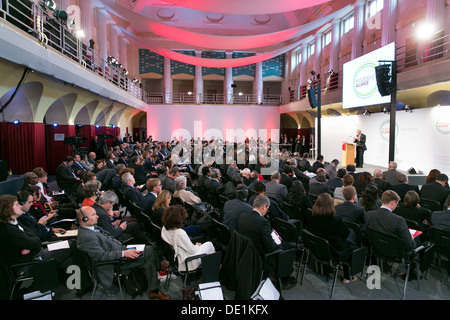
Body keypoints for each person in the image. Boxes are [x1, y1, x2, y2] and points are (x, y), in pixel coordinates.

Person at [76, 206, 171, 300]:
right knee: (149, 251)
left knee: (148, 260)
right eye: (93, 215)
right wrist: (124, 253)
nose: (97, 216)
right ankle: (158, 269)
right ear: (85, 219)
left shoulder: (92, 228)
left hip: (120, 251)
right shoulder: (86, 237)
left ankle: (153, 290)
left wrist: (124, 250)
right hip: (113, 263)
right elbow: (101, 256)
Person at [306, 193, 357, 284]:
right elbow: (346, 233)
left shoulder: (311, 216)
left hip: (318, 248)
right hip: (334, 251)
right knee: (351, 243)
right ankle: (347, 276)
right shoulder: (336, 220)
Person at [161, 205, 215, 272]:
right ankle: (212, 271)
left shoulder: (164, 228)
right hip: (186, 262)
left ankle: (209, 269)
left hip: (176, 259)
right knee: (210, 244)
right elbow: (192, 251)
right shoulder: (179, 233)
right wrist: (198, 246)